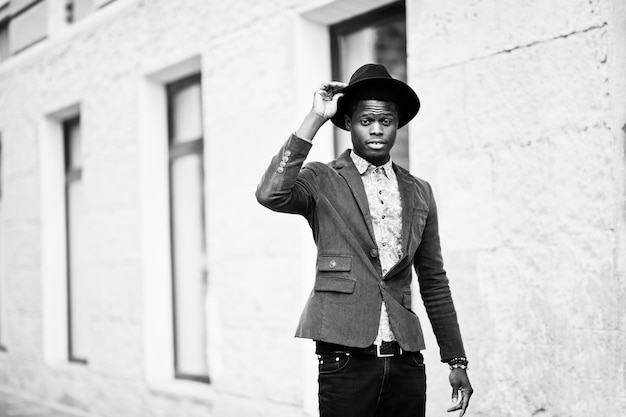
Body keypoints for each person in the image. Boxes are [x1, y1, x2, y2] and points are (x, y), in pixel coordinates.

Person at [256, 63, 473, 417]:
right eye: (366, 120)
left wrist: (456, 358)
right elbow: (270, 194)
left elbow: (433, 280)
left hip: (406, 362)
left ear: (397, 125)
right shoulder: (321, 179)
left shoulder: (420, 192)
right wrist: (314, 118)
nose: (376, 130)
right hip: (345, 361)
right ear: (348, 124)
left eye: (386, 121)